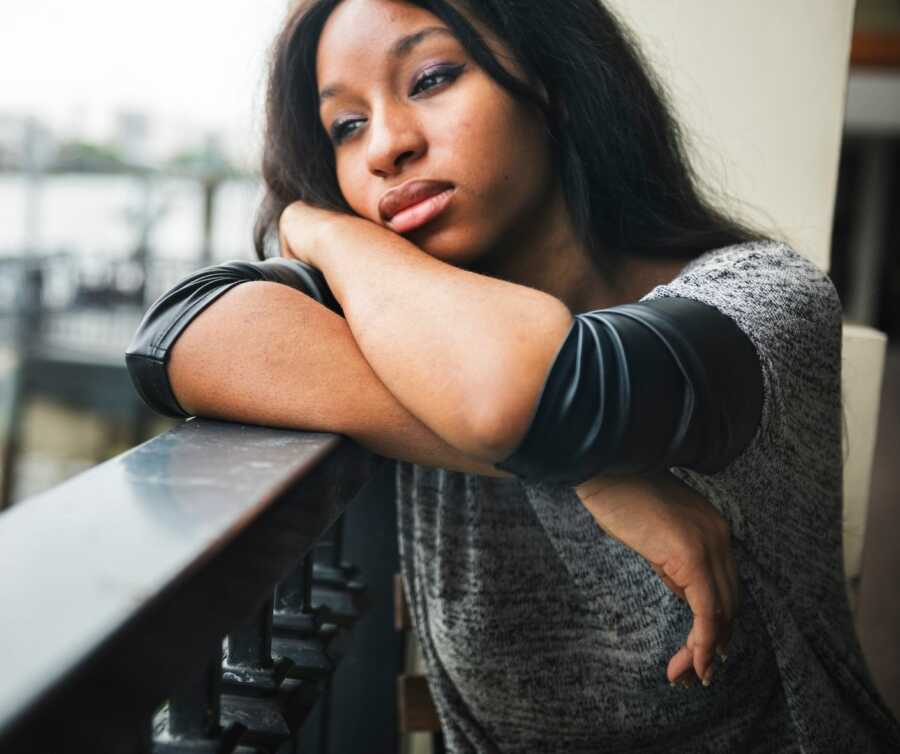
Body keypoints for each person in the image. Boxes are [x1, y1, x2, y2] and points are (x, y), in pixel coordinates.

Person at [125, 0, 900, 751]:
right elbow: (178, 334)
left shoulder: (764, 301)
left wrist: (564, 442)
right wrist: (314, 222)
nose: (384, 147)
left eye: (430, 78)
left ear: (553, 85)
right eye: (346, 126)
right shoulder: (409, 328)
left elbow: (528, 396)